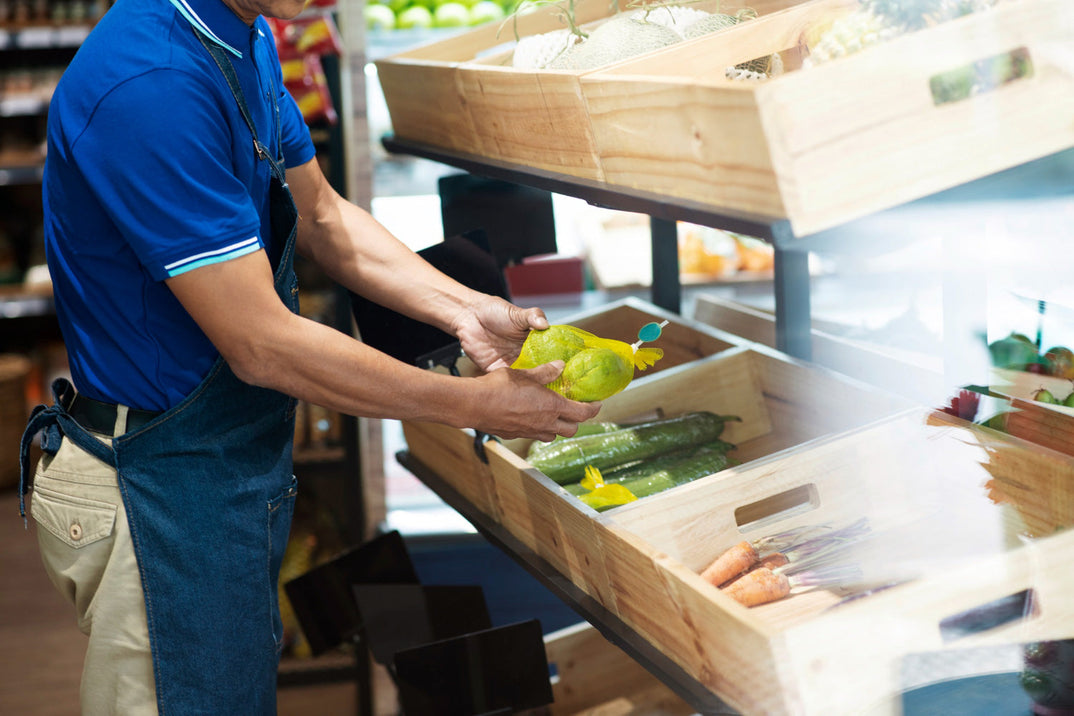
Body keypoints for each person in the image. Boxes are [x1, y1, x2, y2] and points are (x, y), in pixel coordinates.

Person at [18, 0, 602, 713]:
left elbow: (323, 215)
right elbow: (261, 344)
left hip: (213, 474)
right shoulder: (152, 83)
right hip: (155, 490)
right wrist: (472, 404)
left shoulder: (242, 35)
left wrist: (462, 307)